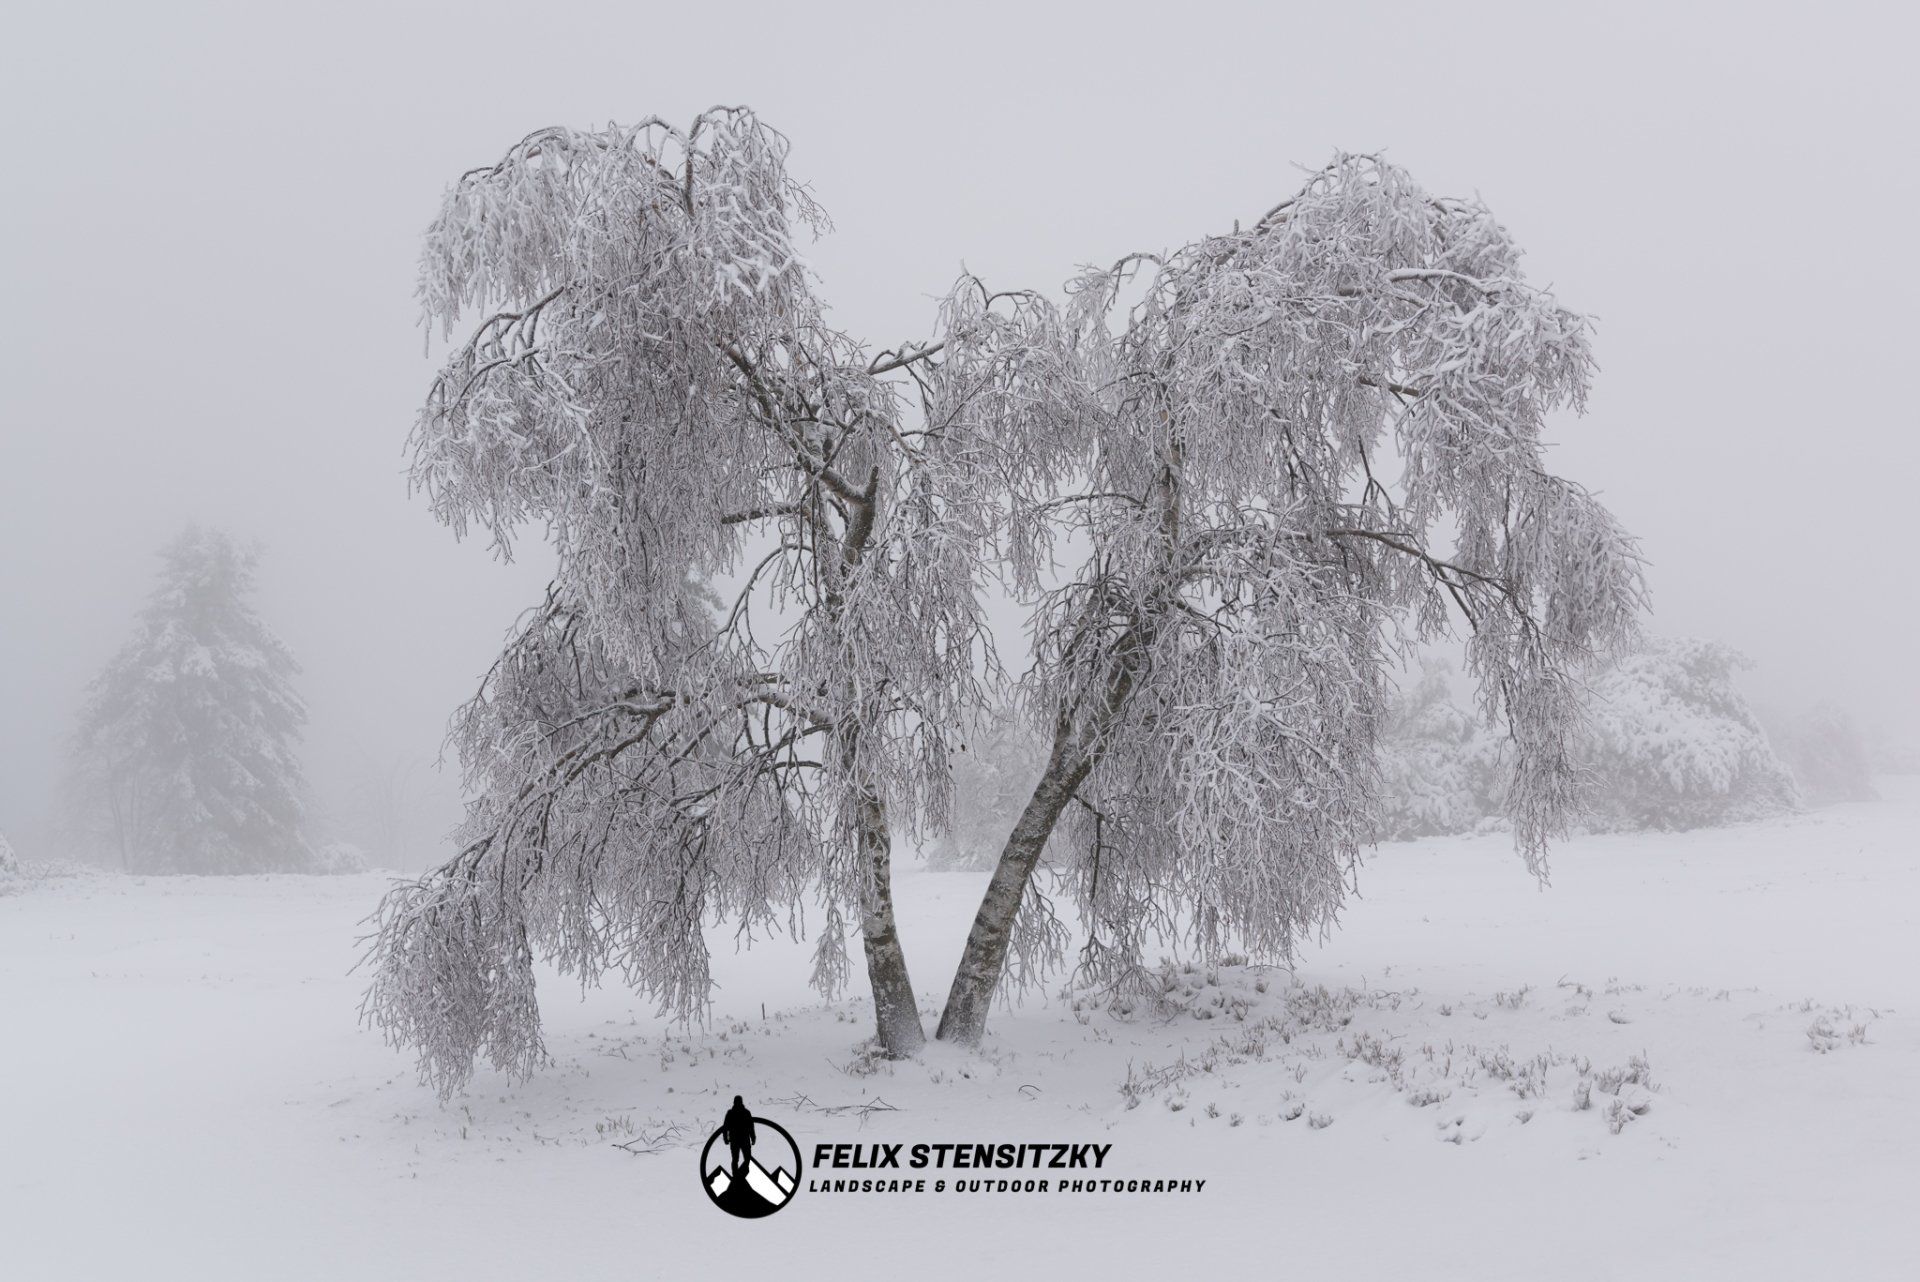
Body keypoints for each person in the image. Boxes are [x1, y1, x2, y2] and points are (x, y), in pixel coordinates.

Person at [722, 1096, 754, 1177]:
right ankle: (737, 1176)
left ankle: (738, 1175)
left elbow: (750, 1126)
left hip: (738, 1140)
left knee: (743, 1159)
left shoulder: (732, 1113)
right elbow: (725, 1127)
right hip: (740, 1140)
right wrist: (753, 1137)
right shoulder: (745, 1112)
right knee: (740, 1159)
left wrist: (726, 1138)